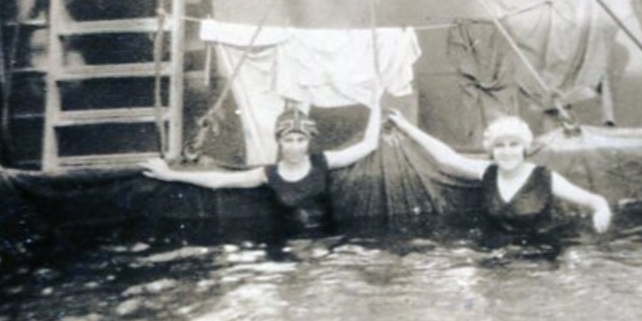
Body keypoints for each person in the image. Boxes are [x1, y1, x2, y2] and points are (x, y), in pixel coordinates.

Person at [143, 104, 381, 235]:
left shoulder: (323, 162)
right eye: (289, 140)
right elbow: (219, 181)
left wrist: (376, 104)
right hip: (289, 249)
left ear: (309, 142)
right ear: (279, 141)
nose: (295, 147)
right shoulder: (269, 174)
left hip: (328, 243)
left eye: (301, 140)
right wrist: (169, 174)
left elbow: (368, 145)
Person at [385, 111, 612, 234]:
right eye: (500, 146)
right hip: (494, 254)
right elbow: (446, 158)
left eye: (513, 144)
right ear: (492, 150)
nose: (507, 152)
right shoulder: (487, 172)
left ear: (524, 147)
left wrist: (602, 212)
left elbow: (594, 200)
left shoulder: (544, 177)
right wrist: (405, 126)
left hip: (539, 258)